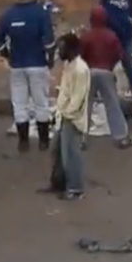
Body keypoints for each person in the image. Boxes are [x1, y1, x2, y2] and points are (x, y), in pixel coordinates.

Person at [0, 0, 56, 152]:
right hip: (38, 64)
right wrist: (50, 59)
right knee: (41, 103)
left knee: (20, 104)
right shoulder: (41, 13)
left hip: (17, 65)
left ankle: (23, 142)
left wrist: (6, 54)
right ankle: (43, 142)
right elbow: (49, 41)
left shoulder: (8, 14)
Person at [79, 5, 132, 148]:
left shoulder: (86, 36)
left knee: (85, 105)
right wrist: (110, 65)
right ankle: (121, 136)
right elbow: (120, 54)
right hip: (106, 72)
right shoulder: (111, 35)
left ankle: (81, 138)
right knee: (112, 104)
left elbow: (80, 55)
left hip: (89, 72)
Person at [49, 32, 92, 200]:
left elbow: (78, 98)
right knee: (57, 151)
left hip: (72, 119)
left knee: (71, 155)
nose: (59, 52)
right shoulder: (69, 65)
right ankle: (58, 183)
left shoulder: (80, 70)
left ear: (71, 49)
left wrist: (67, 114)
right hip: (63, 115)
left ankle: (75, 189)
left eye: (61, 48)